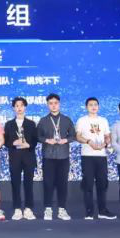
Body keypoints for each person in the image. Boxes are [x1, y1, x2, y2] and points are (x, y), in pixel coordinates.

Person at [75, 97, 116, 220]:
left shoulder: (103, 120)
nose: (93, 107)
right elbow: (78, 136)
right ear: (86, 107)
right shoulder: (82, 120)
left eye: (95, 105)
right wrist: (89, 142)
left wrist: (105, 143)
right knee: (88, 184)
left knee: (102, 184)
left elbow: (107, 136)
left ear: (98, 106)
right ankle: (89, 211)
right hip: (87, 156)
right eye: (90, 105)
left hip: (101, 156)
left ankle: (102, 211)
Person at [40, 93, 75, 221]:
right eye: (51, 103)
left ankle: (62, 209)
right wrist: (46, 140)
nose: (53, 105)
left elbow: (73, 135)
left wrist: (65, 140)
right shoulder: (43, 120)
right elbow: (38, 136)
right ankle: (48, 209)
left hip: (63, 156)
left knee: (62, 184)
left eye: (55, 103)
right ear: (47, 105)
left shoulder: (66, 119)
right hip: (48, 156)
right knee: (48, 184)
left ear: (59, 104)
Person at [4, 96, 38, 220]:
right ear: (13, 108)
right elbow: (5, 141)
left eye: (21, 105)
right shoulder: (9, 124)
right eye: (17, 106)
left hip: (28, 157)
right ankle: (17, 209)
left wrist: (29, 144)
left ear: (25, 107)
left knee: (29, 184)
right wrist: (13, 143)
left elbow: (35, 140)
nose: (19, 108)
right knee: (15, 184)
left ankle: (28, 209)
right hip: (15, 158)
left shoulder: (31, 123)